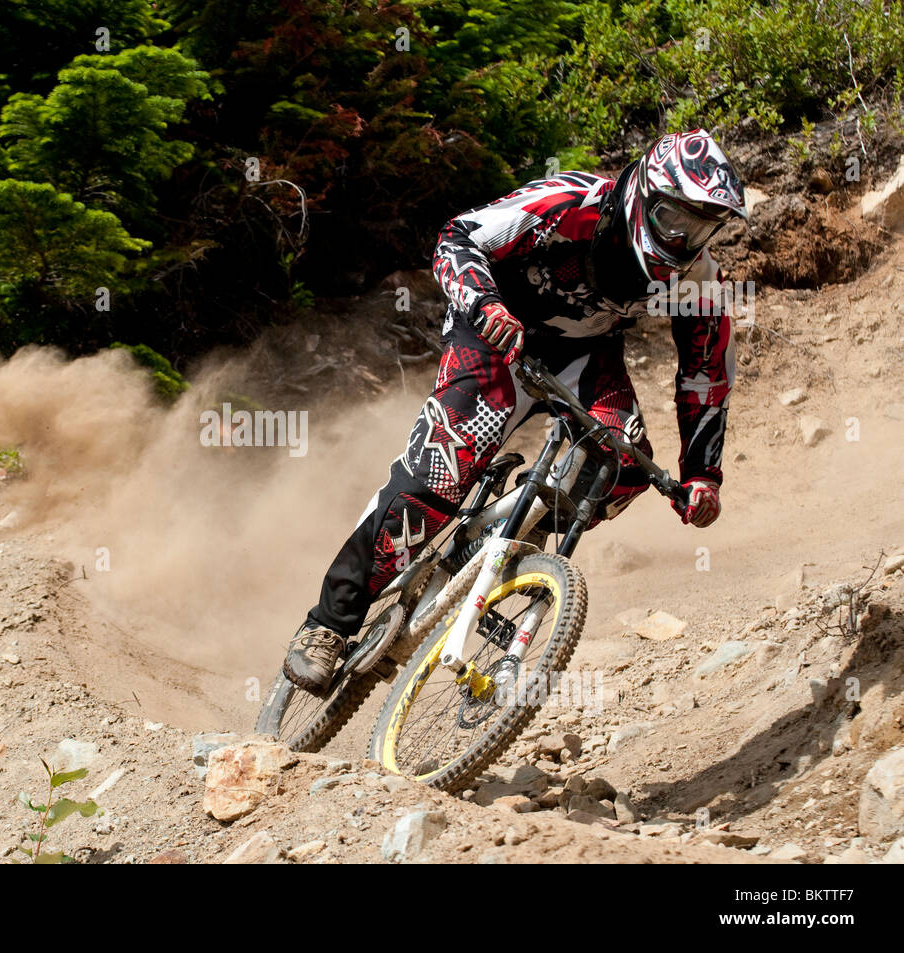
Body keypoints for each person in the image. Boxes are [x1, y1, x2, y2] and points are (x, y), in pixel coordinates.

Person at [283, 129, 748, 695]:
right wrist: (484, 302)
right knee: (441, 470)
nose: (683, 237)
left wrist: (702, 473)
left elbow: (705, 374)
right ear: (642, 192)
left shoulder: (699, 277)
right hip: (497, 333)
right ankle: (328, 625)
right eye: (674, 216)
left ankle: (493, 556)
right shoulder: (567, 202)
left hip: (583, 354)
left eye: (702, 227)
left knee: (624, 470)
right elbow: (456, 239)